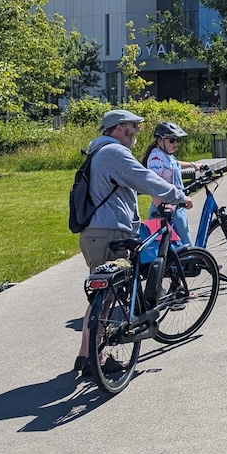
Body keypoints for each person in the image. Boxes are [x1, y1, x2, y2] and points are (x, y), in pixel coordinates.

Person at [76, 109, 189, 375]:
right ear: (117, 128)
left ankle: (85, 355)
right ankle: (97, 358)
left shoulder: (98, 151)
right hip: (109, 232)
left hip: (95, 232)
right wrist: (178, 196)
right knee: (105, 299)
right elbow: (144, 178)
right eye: (133, 126)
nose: (138, 131)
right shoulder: (114, 152)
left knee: (99, 300)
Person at [142, 121, 206, 248]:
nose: (175, 144)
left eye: (177, 140)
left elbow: (175, 164)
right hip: (166, 206)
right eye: (171, 140)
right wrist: (161, 206)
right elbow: (153, 184)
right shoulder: (156, 158)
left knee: (178, 243)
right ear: (160, 141)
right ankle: (192, 263)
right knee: (184, 243)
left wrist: (193, 165)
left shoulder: (165, 155)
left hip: (175, 204)